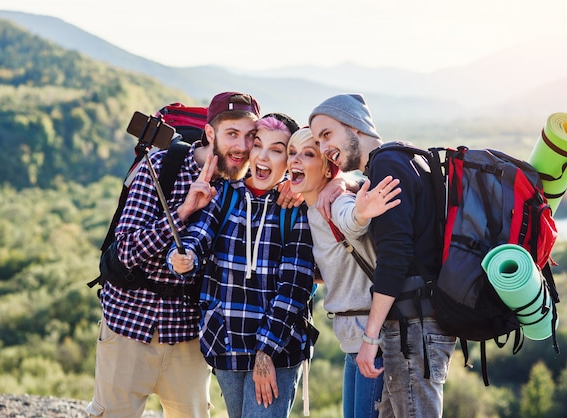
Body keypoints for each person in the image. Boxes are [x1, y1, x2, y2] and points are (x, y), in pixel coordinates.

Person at [86, 92, 263, 418]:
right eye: (232, 134)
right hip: (129, 325)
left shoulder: (247, 189)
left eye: (251, 136)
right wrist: (182, 213)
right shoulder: (162, 167)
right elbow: (124, 250)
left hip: (189, 336)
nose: (242, 146)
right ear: (211, 133)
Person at [309, 94, 457, 418]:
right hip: (421, 322)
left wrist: (369, 336)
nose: (324, 149)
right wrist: (348, 182)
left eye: (326, 135)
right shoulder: (403, 158)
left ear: (354, 126)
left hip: (412, 327)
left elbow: (395, 257)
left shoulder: (387, 165)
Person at [168, 114, 315, 418]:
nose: (262, 155)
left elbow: (295, 287)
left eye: (276, 149)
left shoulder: (295, 210)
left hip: (277, 351)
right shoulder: (226, 195)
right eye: (258, 144)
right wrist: (183, 258)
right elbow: (199, 234)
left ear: (289, 159)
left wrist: (266, 351)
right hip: (226, 343)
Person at [286, 127, 400, 418]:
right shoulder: (310, 210)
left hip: (373, 338)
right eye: (292, 153)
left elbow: (352, 220)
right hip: (353, 340)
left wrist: (360, 211)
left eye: (308, 154)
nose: (295, 161)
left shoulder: (335, 201)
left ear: (327, 170)